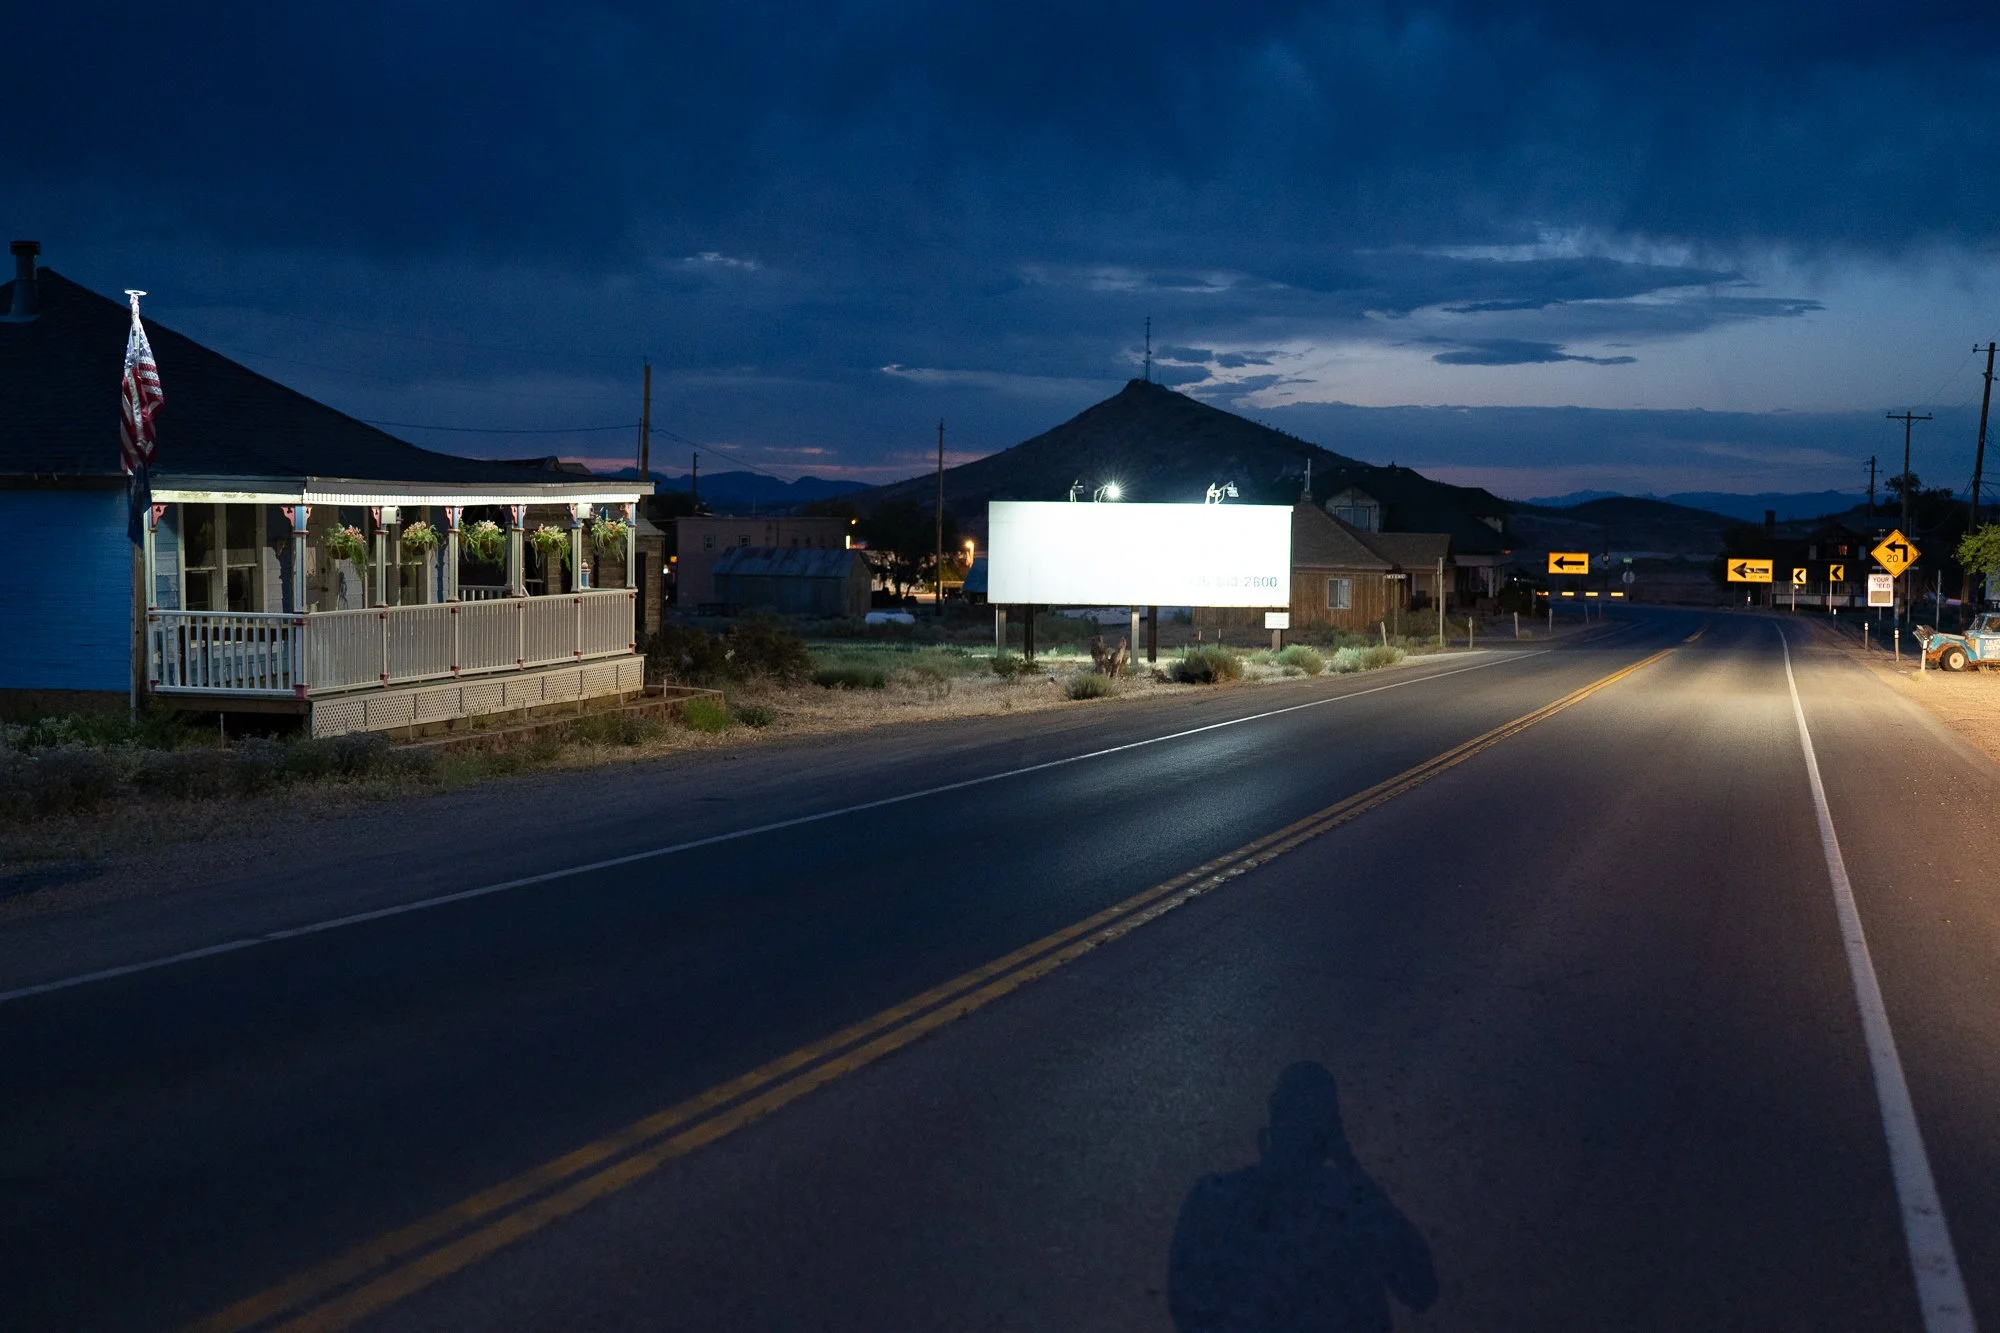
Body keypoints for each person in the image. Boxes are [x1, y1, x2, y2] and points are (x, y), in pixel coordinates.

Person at [1168, 1062, 1438, 1332]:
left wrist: (1350, 1169)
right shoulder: (1220, 1198)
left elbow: (1421, 1287)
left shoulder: (1352, 1205)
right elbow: (1187, 1305)